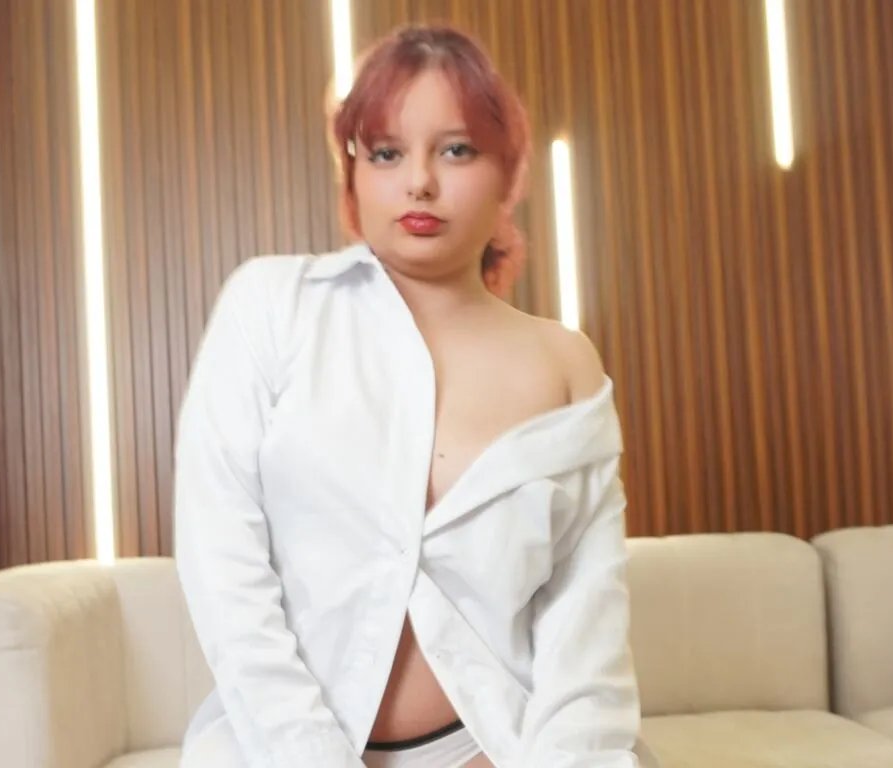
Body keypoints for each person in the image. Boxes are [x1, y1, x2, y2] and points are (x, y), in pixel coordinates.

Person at [175, 23, 653, 768]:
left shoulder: (565, 363)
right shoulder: (271, 306)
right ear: (353, 173)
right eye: (386, 153)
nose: (419, 182)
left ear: (509, 172)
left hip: (496, 748)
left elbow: (584, 624)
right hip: (279, 751)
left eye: (455, 150)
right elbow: (222, 562)